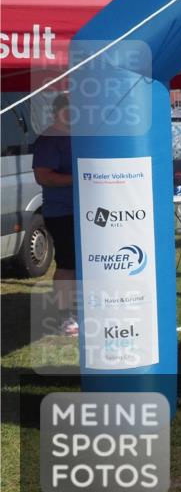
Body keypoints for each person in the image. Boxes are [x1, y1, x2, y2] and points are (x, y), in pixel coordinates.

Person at [32, 94, 77, 336]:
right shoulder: (49, 139)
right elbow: (43, 176)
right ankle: (65, 317)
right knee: (68, 264)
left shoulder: (80, 136)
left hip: (88, 211)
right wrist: (79, 179)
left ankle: (82, 311)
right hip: (62, 212)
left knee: (85, 265)